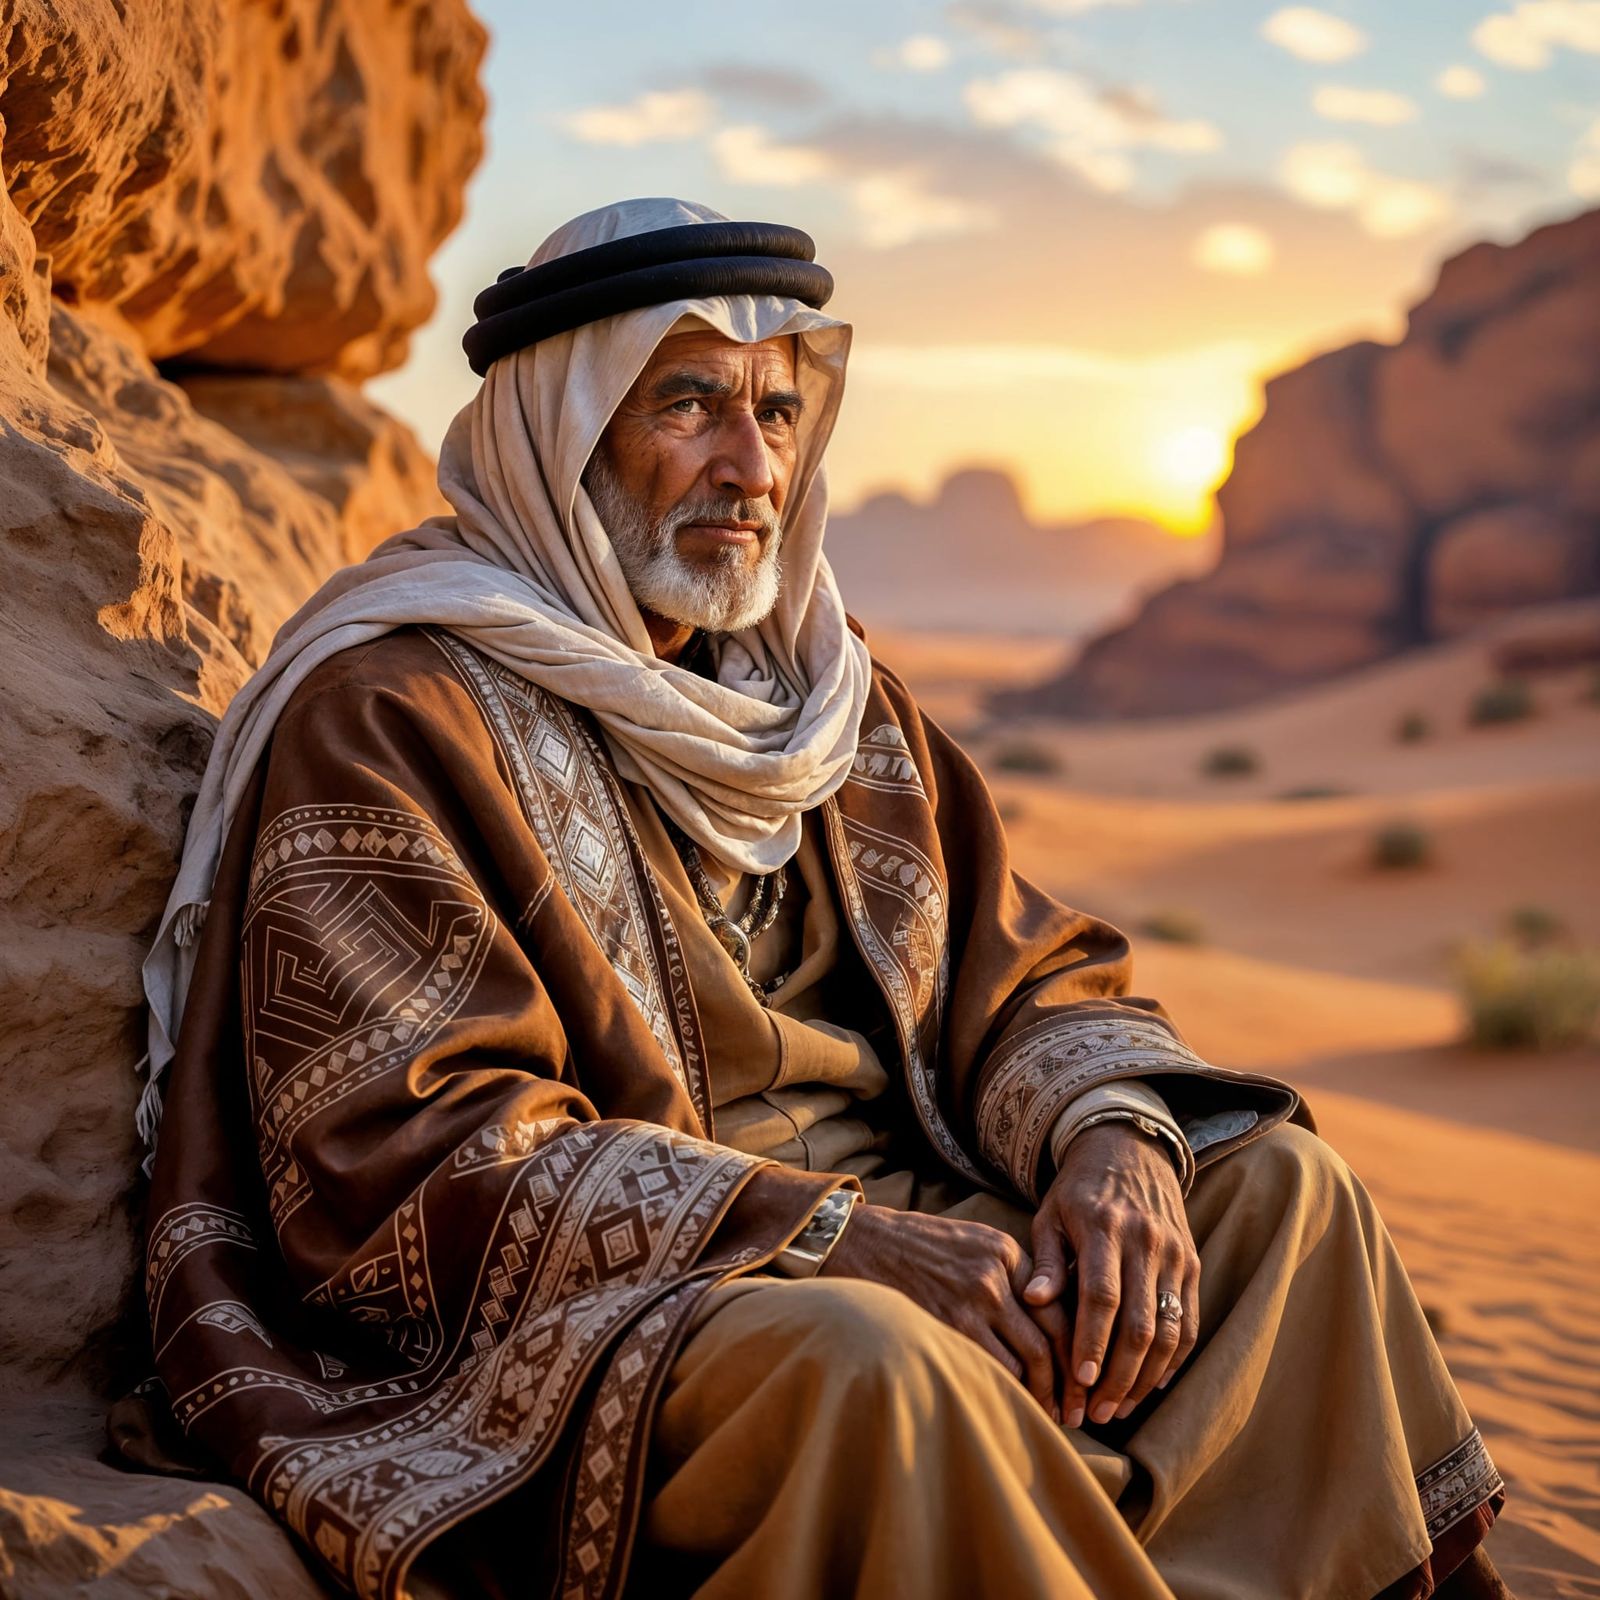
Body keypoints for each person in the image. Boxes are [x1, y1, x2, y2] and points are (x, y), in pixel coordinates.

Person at [132, 198, 1510, 1600]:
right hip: (639, 1306)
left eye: (779, 414)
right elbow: (406, 1156)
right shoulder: (396, 710)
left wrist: (1113, 1138)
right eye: (688, 407)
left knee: (1279, 1191)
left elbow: (1022, 973)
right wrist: (835, 1239)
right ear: (564, 431)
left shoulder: (827, 695)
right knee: (877, 1367)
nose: (752, 469)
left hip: (909, 1222)